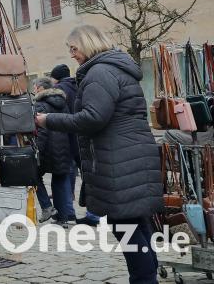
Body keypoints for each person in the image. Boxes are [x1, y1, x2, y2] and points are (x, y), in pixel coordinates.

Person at [37, 25, 162, 284]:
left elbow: (93, 117)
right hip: (130, 154)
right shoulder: (115, 68)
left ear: (88, 44)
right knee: (136, 222)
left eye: (74, 48)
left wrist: (48, 120)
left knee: (125, 225)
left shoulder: (100, 72)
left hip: (119, 158)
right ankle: (147, 277)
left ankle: (144, 279)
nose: (72, 54)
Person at [51, 64, 101, 226]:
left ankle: (68, 212)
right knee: (89, 176)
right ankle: (93, 214)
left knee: (65, 176)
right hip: (85, 136)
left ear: (56, 77)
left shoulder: (58, 90)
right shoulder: (80, 85)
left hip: (67, 138)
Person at [32, 76, 75, 225]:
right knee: (60, 181)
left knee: (33, 175)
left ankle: (46, 206)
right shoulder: (62, 102)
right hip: (63, 146)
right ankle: (62, 218)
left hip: (47, 148)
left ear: (41, 88)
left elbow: (42, 130)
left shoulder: (40, 104)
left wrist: (37, 150)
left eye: (35, 87)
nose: (34, 90)